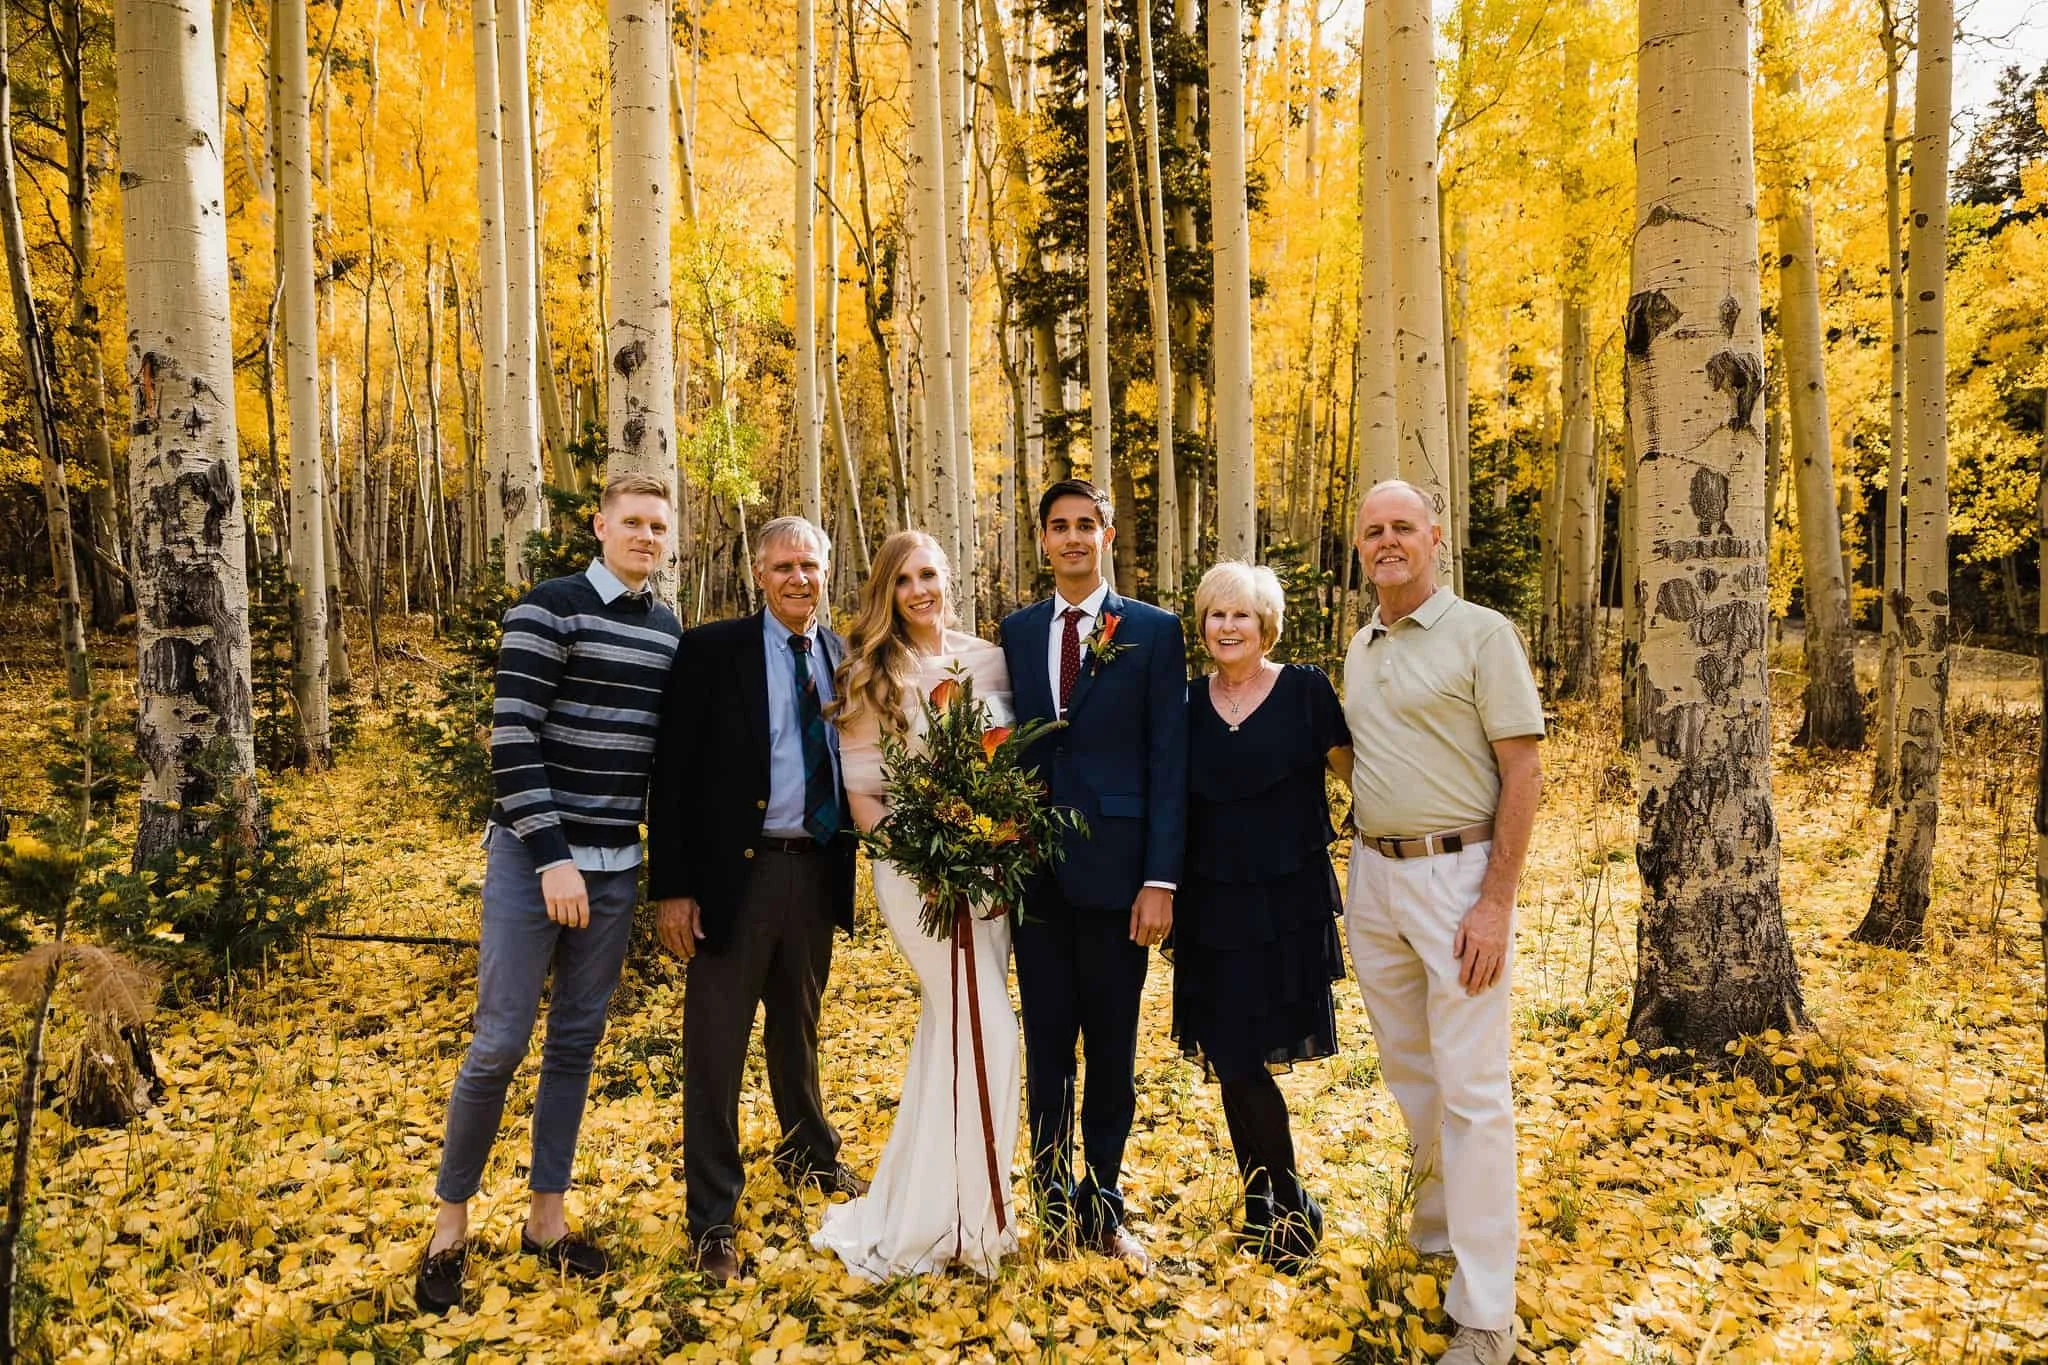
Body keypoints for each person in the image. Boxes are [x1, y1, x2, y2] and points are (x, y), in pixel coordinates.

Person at [414, 473, 684, 1314]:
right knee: (497, 1043)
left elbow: (658, 758)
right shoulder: (549, 606)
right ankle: (449, 1227)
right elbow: (512, 734)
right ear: (600, 525)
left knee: (575, 1040)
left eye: (659, 526)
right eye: (632, 521)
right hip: (535, 864)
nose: (645, 536)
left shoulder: (667, 629)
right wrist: (553, 855)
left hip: (616, 867)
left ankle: (545, 1220)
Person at [1341, 480, 1543, 1365]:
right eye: (1373, 531)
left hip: (1458, 878)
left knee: (1472, 1089)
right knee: (1411, 1072)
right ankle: (1436, 1239)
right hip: (1375, 878)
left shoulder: (1481, 634)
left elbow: (1524, 769)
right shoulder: (1362, 643)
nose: (1389, 542)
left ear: (1434, 537)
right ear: (1360, 546)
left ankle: (1489, 1313)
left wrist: (1495, 899)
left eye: (1402, 528)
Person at [648, 516, 867, 1286]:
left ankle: (810, 1151)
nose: (799, 579)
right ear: (758, 573)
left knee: (798, 1027)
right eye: (784, 567)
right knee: (715, 1048)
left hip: (814, 871)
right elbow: (669, 776)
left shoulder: (843, 657)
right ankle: (712, 1216)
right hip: (731, 879)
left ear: (826, 572)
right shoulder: (712, 652)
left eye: (810, 565)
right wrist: (671, 887)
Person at [810, 530, 1021, 1280]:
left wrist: (999, 832)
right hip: (918, 873)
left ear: (948, 576)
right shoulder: (871, 671)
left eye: (930, 572)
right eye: (904, 580)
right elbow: (866, 793)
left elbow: (1011, 760)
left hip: (990, 868)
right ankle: (973, 1218)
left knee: (954, 1034)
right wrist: (924, 858)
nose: (921, 589)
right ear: (886, 592)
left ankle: (949, 1205)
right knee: (988, 1029)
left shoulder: (991, 657)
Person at [998, 478, 1187, 1273]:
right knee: (1046, 1049)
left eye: (1087, 525)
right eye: (1059, 526)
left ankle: (1103, 1204)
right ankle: (1048, 1199)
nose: (1073, 538)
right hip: (1034, 877)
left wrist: (1161, 879)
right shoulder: (1014, 631)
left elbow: (1168, 759)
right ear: (1042, 539)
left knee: (1112, 1050)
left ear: (1108, 535)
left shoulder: (1153, 629)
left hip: (1119, 879)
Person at [1172, 561, 1351, 1271]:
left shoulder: (1305, 691)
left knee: (1242, 1053)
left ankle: (1281, 1201)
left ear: (1265, 624)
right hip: (1209, 900)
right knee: (1227, 1051)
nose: (1226, 626)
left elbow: (1355, 773)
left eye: (1240, 614)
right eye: (1215, 614)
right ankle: (1271, 1203)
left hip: (1285, 902)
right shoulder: (1187, 702)